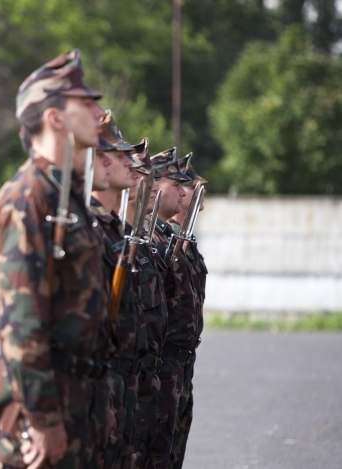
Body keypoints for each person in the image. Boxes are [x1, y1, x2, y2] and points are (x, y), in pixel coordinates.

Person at [0, 48, 109, 469]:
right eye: (86, 103)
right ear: (55, 117)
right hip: (40, 403)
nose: (99, 112)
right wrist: (43, 418)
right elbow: (20, 320)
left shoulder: (64, 194)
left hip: (72, 391)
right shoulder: (27, 197)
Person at [89, 111, 146, 469]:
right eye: (120, 155)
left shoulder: (116, 232)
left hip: (125, 378)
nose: (132, 162)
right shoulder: (85, 230)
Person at [147, 149, 198, 469]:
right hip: (156, 364)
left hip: (177, 361)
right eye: (175, 183)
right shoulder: (150, 242)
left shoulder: (166, 239)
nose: (184, 190)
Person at [124, 140, 169, 469]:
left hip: (152, 367)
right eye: (142, 172)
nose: (150, 181)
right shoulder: (109, 238)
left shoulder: (146, 240)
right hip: (119, 374)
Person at [167, 153, 208, 469]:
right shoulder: (162, 242)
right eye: (188, 188)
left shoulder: (186, 243)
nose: (197, 200)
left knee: (170, 451)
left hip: (182, 358)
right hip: (161, 361)